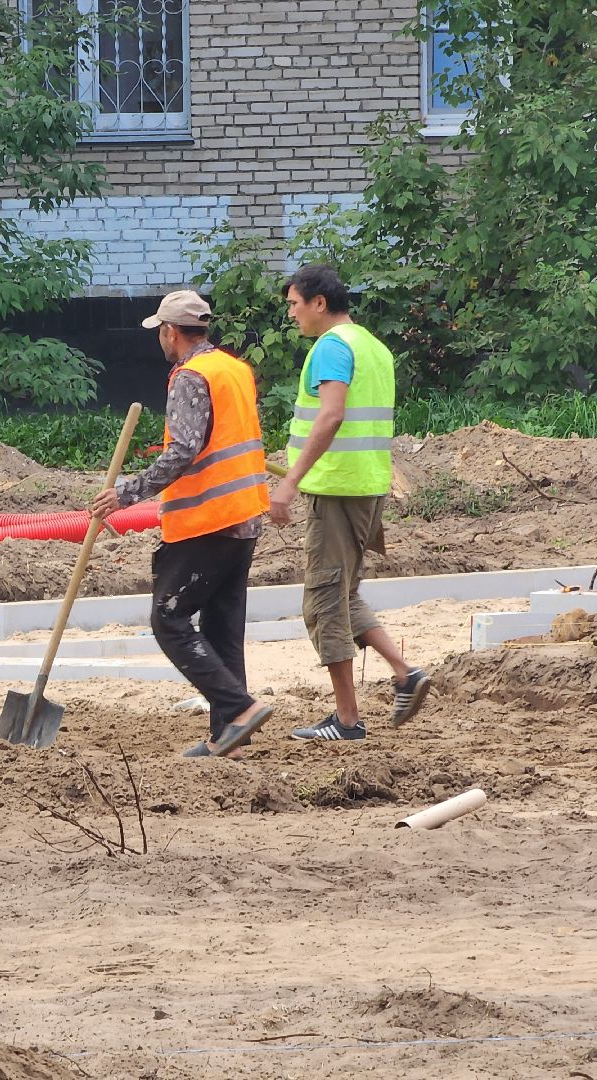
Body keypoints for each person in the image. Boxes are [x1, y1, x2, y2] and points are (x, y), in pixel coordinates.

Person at [91, 290, 273, 758]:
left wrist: (126, 494)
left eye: (161, 333)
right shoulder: (234, 369)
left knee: (168, 617)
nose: (161, 341)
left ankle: (238, 707)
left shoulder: (190, 376)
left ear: (171, 332)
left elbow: (184, 449)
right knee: (221, 626)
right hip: (244, 513)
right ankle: (226, 737)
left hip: (207, 520)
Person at [268, 264, 430, 740]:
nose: (292, 314)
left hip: (336, 488)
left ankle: (347, 721)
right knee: (344, 593)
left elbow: (332, 415)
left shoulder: (332, 347)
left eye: (295, 304)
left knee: (323, 602)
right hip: (366, 485)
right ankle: (405, 673)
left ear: (320, 303)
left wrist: (290, 481)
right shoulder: (373, 346)